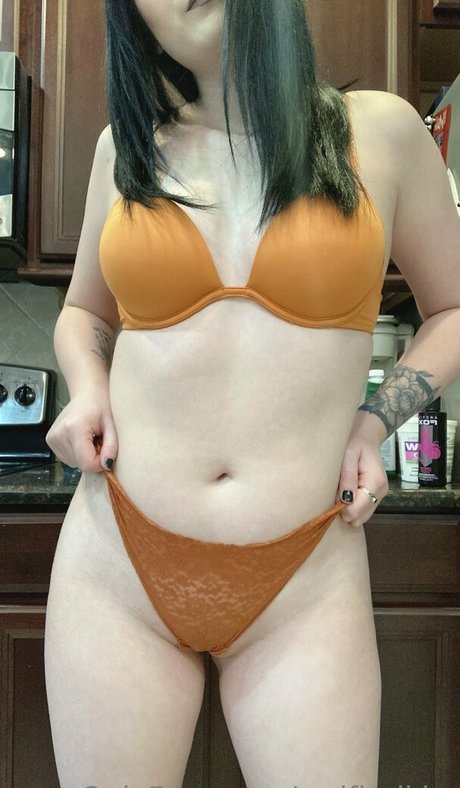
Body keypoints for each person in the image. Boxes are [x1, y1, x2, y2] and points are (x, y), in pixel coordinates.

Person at [43, 0, 460, 786]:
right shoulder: (125, 149)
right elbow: (82, 312)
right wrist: (87, 387)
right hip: (117, 560)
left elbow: (453, 308)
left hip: (305, 575)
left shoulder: (382, 131)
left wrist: (374, 423)